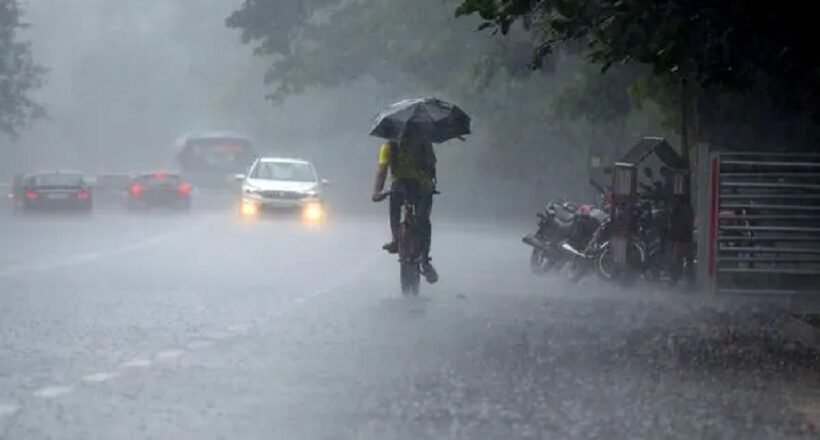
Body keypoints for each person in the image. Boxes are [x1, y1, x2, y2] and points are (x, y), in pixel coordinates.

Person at [371, 133, 438, 283]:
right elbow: (382, 171)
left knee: (423, 219)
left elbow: (432, 166)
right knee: (395, 202)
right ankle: (396, 239)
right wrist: (377, 191)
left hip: (421, 186)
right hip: (400, 185)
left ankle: (424, 259)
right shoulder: (389, 147)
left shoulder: (424, 145)